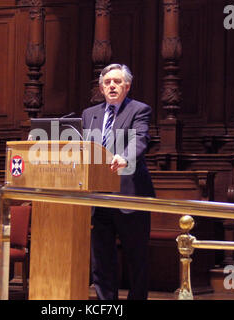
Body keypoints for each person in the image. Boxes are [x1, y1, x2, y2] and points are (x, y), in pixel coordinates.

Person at [82, 63, 155, 300]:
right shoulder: (89, 114)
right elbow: (84, 148)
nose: (112, 86)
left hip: (130, 195)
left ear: (127, 86)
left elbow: (140, 140)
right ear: (101, 88)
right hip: (99, 196)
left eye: (117, 81)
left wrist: (125, 157)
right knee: (101, 259)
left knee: (137, 259)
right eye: (107, 82)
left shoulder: (139, 110)